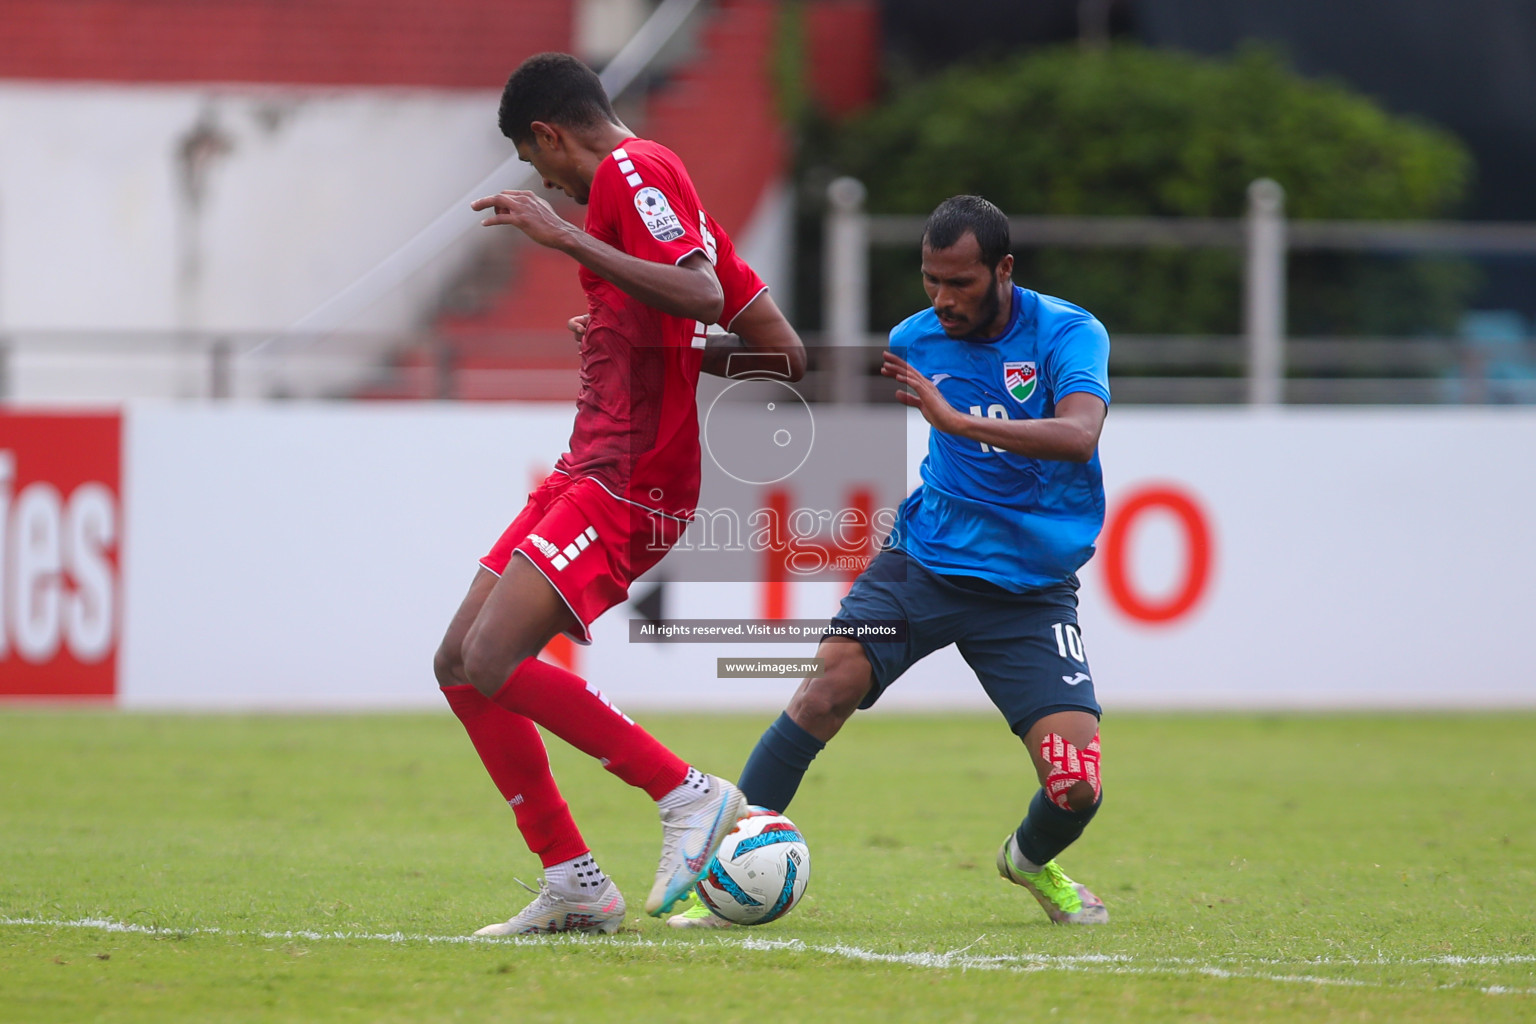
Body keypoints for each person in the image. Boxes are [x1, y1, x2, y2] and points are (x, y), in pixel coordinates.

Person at [434, 52, 805, 936]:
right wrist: (642, 340)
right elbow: (783, 353)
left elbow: (702, 292)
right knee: (459, 664)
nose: (547, 185)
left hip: (633, 476)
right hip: (592, 466)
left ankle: (686, 792)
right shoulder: (664, 202)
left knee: (492, 659)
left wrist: (565, 239)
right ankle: (573, 880)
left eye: (538, 163)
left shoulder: (635, 174)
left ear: (551, 135)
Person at [671, 194, 1112, 928]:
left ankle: (1028, 861)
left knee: (1076, 788)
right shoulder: (916, 337)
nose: (943, 300)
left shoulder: (1069, 333)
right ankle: (720, 882)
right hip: (924, 564)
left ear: (1004, 270)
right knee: (821, 692)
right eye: (931, 280)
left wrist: (955, 421)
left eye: (961, 283)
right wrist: (679, 354)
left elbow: (1079, 435)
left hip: (1031, 592)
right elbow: (802, 368)